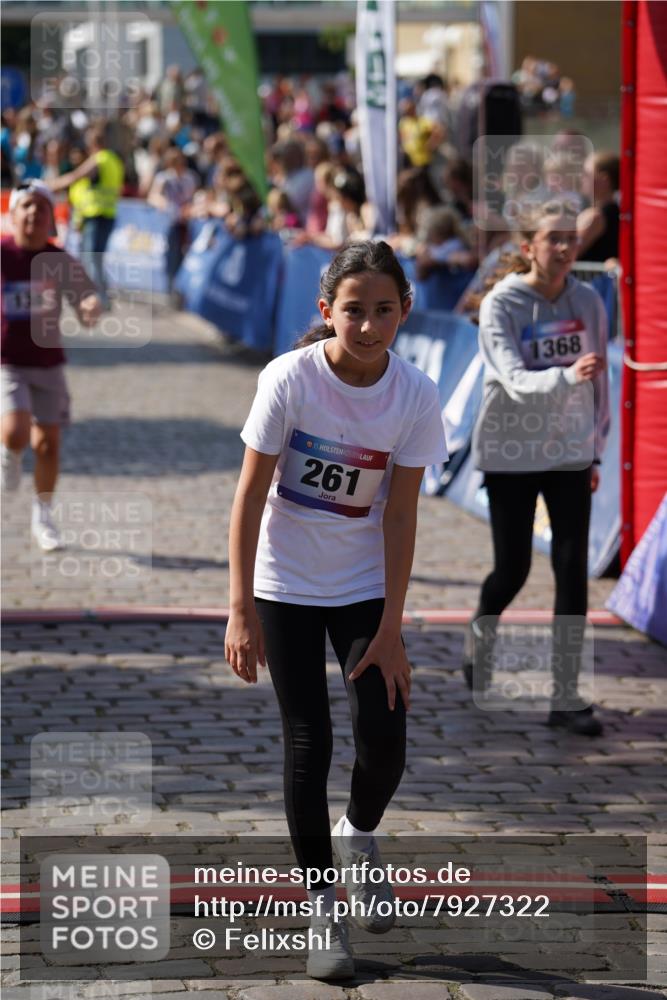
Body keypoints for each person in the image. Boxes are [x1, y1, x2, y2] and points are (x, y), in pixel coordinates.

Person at [224, 241, 448, 979]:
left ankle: (358, 832)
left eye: (384, 310)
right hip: (284, 582)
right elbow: (251, 495)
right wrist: (238, 609)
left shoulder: (413, 394)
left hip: (361, 585)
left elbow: (400, 515)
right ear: (326, 311)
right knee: (308, 741)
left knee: (384, 740)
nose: (367, 324)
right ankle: (323, 911)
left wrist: (391, 629)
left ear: (404, 312)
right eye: (353, 310)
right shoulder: (289, 378)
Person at [465, 202, 610, 737]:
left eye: (572, 238)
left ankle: (567, 696)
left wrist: (595, 445)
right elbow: (514, 377)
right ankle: (480, 639)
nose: (566, 248)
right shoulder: (502, 302)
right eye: (554, 239)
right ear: (528, 247)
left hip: (569, 451)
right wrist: (566, 376)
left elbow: (602, 380)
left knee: (571, 572)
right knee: (513, 570)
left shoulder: (589, 300)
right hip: (511, 451)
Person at [1, 181, 101, 548]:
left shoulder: (57, 259)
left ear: (50, 220)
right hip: (6, 361)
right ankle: (8, 456)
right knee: (15, 432)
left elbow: (87, 295)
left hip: (47, 364)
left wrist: (91, 306)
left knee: (48, 447)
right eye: (26, 207)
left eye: (41, 209)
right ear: (13, 215)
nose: (33, 214)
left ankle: (43, 516)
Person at [47, 125, 124, 310]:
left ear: (93, 143)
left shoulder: (99, 159)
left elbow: (75, 176)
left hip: (95, 214)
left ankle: (100, 299)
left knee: (91, 258)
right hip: (108, 214)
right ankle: (102, 296)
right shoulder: (114, 160)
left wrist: (50, 186)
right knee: (95, 258)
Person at [577, 151, 620, 264]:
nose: (581, 178)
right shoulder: (617, 212)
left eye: (587, 174)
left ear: (604, 179)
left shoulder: (595, 217)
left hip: (590, 281)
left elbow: (571, 251)